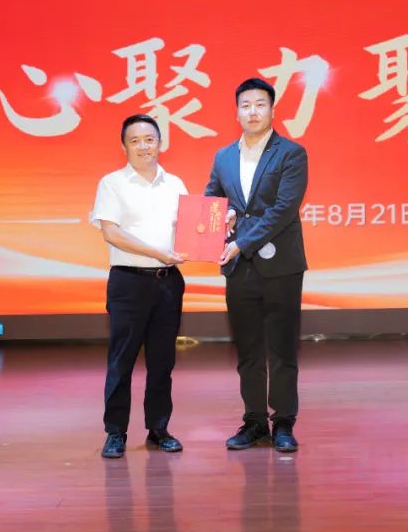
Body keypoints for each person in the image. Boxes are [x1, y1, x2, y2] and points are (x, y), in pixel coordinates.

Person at [204, 78, 308, 453]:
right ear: (236, 112)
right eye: (245, 105)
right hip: (239, 269)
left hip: (281, 266)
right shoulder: (223, 157)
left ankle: (284, 423)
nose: (252, 111)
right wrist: (221, 218)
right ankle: (254, 422)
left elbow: (283, 210)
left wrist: (241, 243)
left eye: (260, 104)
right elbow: (212, 200)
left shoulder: (291, 153)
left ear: (272, 110)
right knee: (248, 350)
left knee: (282, 349)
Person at [90, 114, 187, 459]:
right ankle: (115, 432)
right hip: (128, 282)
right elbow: (111, 233)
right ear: (124, 146)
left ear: (160, 143)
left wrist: (222, 223)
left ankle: (158, 429)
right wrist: (155, 252)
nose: (144, 146)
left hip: (168, 282)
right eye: (135, 141)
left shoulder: (175, 184)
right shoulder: (112, 183)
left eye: (150, 139)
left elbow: (192, 227)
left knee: (162, 361)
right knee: (122, 360)